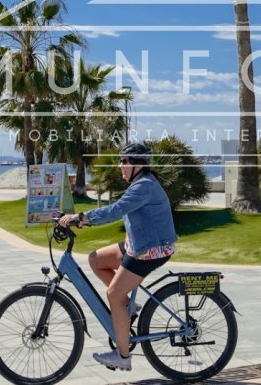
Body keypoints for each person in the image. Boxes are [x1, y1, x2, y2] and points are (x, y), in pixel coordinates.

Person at [57, 143, 176, 372]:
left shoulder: (144, 186)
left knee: (113, 293)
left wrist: (82, 217)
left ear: (137, 165)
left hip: (152, 248)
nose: (120, 165)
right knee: (95, 259)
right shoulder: (139, 183)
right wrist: (80, 219)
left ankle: (122, 356)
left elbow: (116, 210)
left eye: (125, 161)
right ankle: (128, 307)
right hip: (139, 243)